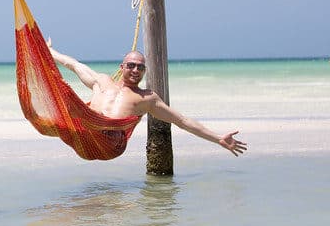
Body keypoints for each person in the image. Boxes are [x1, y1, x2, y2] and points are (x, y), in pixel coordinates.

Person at [46, 40, 247, 156]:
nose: (135, 70)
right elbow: (73, 64)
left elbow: (182, 121)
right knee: (62, 98)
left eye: (140, 67)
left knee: (75, 106)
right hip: (85, 134)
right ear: (121, 67)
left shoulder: (146, 98)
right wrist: (49, 51)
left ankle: (89, 122)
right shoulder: (101, 81)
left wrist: (218, 138)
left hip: (110, 145)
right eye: (131, 65)